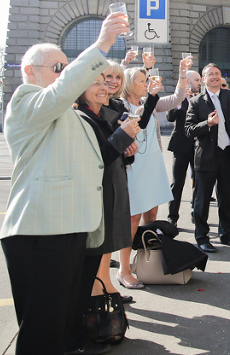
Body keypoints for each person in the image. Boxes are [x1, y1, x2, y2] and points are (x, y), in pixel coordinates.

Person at [0, 13, 128, 355]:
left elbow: (97, 158)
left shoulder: (68, 112)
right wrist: (101, 45)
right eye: (58, 68)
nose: (64, 75)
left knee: (62, 329)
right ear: (31, 72)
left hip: (72, 230)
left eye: (66, 67)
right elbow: (59, 95)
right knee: (42, 333)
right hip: (40, 232)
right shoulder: (26, 101)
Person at [71, 74, 140, 350]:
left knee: (103, 247)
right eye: (96, 83)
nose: (104, 87)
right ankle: (88, 322)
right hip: (94, 196)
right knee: (92, 257)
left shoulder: (104, 115)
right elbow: (97, 156)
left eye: (106, 82)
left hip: (112, 188)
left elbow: (118, 153)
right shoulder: (81, 118)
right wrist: (124, 137)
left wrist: (128, 148)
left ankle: (96, 306)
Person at [117, 62, 188, 289]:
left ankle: (147, 261)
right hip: (133, 166)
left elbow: (177, 98)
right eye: (141, 81)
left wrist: (182, 74)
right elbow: (139, 119)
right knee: (132, 218)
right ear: (129, 85)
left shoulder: (152, 101)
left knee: (152, 213)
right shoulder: (118, 105)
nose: (146, 84)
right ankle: (124, 269)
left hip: (152, 164)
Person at [185, 63, 230, 252]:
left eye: (217, 74)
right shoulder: (196, 101)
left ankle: (225, 234)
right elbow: (188, 129)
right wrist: (207, 123)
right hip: (207, 156)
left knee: (227, 198)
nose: (215, 77)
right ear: (204, 79)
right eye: (210, 74)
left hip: (229, 154)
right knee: (202, 200)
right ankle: (202, 237)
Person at [166, 69, 202, 227]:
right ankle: (172, 217)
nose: (199, 83)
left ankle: (196, 212)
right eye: (197, 80)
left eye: (200, 80)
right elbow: (170, 117)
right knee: (177, 183)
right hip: (180, 146)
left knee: (198, 181)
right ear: (187, 82)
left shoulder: (202, 98)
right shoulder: (178, 97)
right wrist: (180, 101)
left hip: (198, 146)